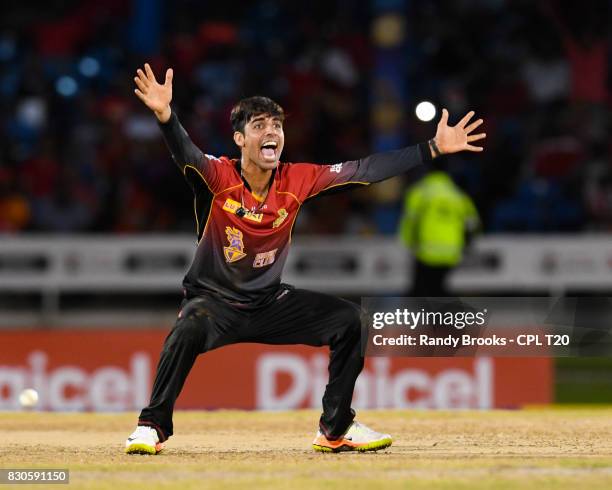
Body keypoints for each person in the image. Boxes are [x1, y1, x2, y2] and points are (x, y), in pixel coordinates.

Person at [125, 63, 485, 454]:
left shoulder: (298, 180)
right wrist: (165, 116)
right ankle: (151, 427)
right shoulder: (217, 177)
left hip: (268, 302)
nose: (272, 132)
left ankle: (336, 428)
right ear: (239, 139)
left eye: (277, 126)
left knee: (350, 321)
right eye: (260, 125)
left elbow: (364, 170)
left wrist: (430, 148)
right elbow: (185, 152)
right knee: (187, 328)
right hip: (213, 304)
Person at [399, 161, 480, 297]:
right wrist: (467, 244)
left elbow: (410, 221)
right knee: (437, 288)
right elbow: (472, 223)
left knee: (421, 291)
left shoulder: (419, 192)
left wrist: (408, 243)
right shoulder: (457, 194)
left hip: (426, 251)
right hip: (451, 251)